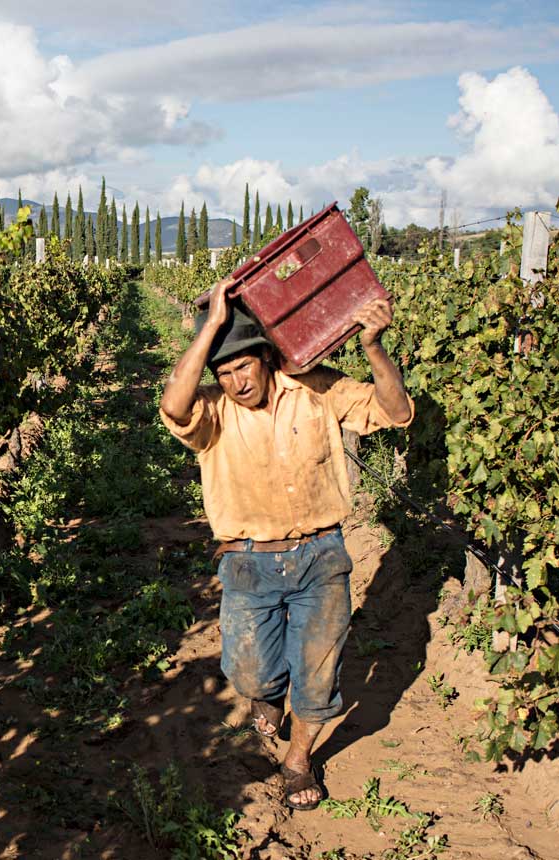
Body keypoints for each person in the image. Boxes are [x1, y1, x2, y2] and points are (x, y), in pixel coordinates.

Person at [158, 278, 413, 811]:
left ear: (268, 359)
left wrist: (372, 347)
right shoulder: (212, 413)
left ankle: (299, 761)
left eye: (242, 367)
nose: (235, 382)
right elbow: (173, 404)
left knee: (318, 673)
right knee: (249, 672)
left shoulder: (319, 389)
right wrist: (209, 329)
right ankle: (268, 695)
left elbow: (394, 411)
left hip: (321, 556)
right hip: (248, 563)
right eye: (224, 373)